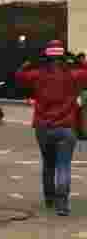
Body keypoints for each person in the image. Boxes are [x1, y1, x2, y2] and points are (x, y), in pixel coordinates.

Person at [15, 41, 87, 216]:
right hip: (66, 127)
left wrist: (30, 62)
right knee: (64, 166)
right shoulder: (74, 75)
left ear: (46, 57)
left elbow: (19, 75)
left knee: (48, 164)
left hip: (43, 126)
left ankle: (49, 198)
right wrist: (78, 61)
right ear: (64, 57)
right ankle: (62, 204)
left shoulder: (37, 75)